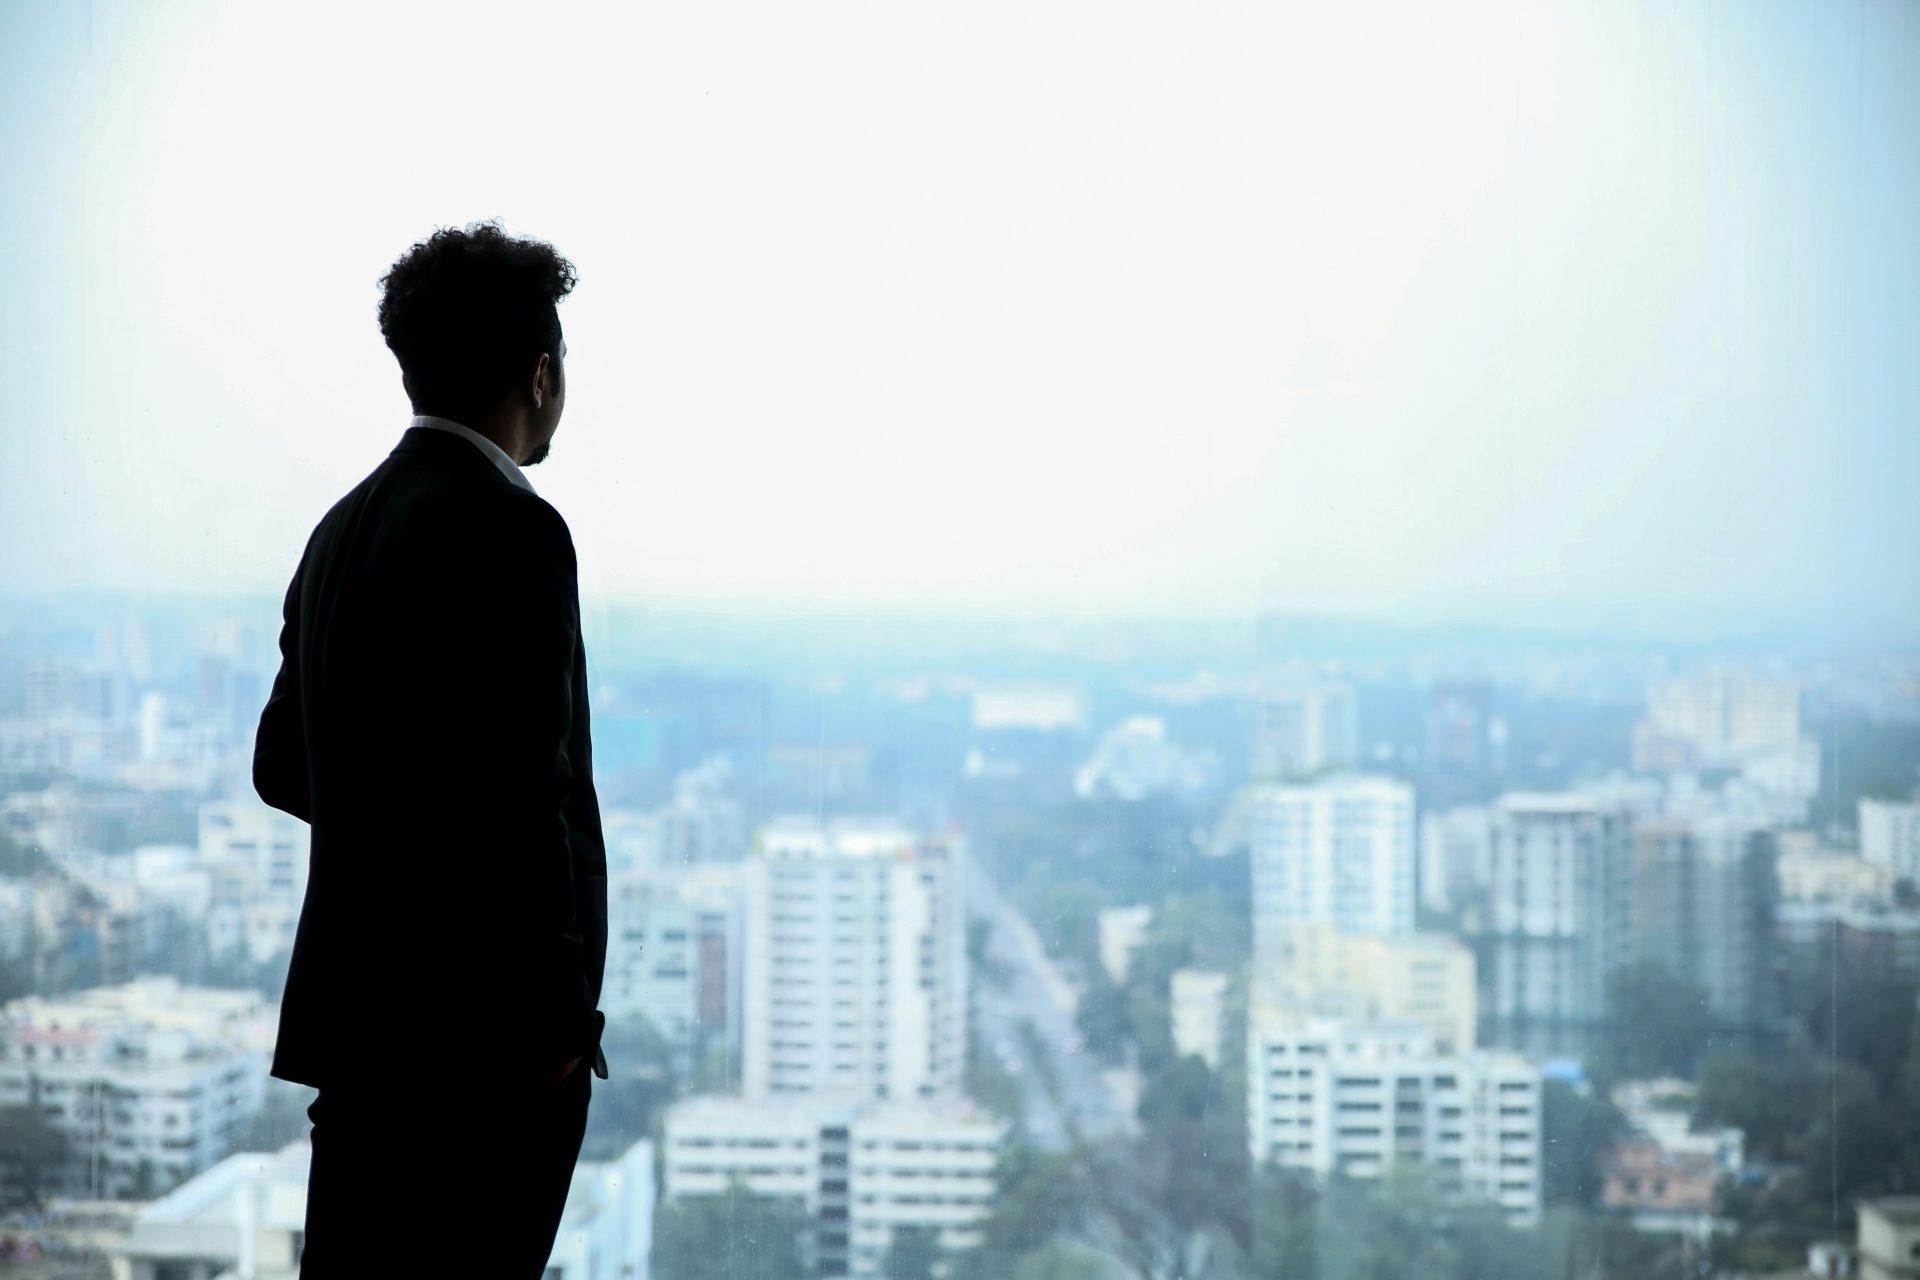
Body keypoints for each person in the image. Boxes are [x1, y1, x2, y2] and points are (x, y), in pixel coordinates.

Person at [253, 221, 609, 1277]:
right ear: (539, 374)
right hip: (485, 1061)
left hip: (363, 1040)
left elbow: (282, 762)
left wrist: (387, 812)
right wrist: (552, 1040)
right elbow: (519, 794)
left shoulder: (342, 525)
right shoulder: (510, 524)